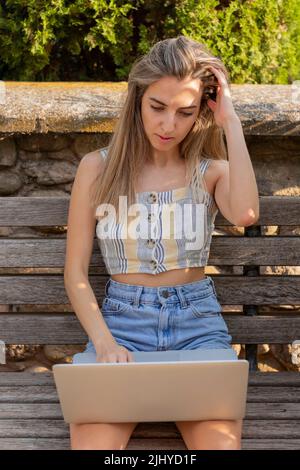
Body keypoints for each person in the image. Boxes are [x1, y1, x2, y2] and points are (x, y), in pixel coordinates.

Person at [64, 35, 259, 450]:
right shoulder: (96, 169)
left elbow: (245, 215)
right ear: (137, 99)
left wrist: (231, 122)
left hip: (198, 326)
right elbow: (75, 272)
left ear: (199, 113)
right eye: (157, 107)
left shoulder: (211, 172)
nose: (168, 125)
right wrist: (104, 342)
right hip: (121, 326)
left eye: (185, 112)